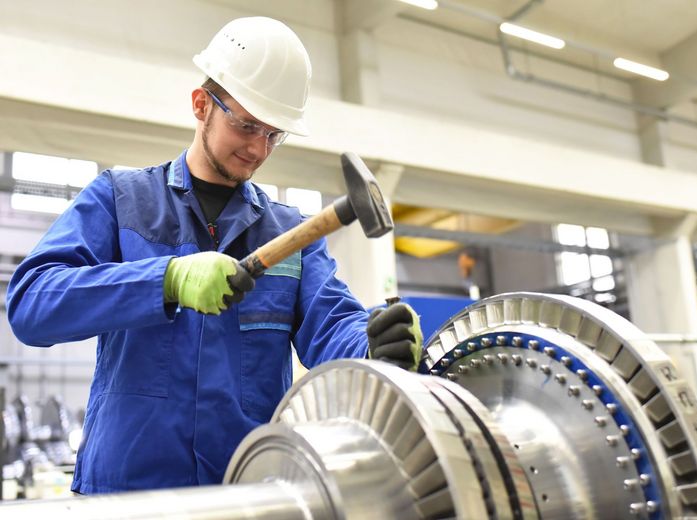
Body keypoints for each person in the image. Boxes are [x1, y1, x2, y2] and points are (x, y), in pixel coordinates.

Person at [6, 17, 421, 494]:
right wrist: (165, 279)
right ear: (201, 104)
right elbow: (31, 305)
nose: (258, 148)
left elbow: (332, 326)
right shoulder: (120, 200)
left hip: (244, 493)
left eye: (274, 134)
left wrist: (373, 345)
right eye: (247, 125)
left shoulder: (290, 232)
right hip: (127, 496)